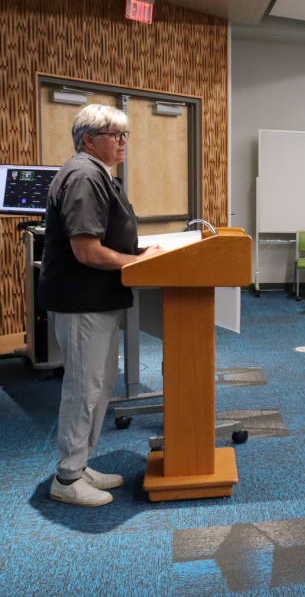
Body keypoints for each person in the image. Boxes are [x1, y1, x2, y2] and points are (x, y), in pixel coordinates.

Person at [38, 105, 164, 507]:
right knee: (84, 388)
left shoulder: (97, 174)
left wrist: (139, 251)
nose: (123, 141)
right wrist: (140, 262)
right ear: (89, 140)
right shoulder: (84, 175)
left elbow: (108, 238)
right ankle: (68, 477)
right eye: (115, 134)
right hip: (82, 301)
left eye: (126, 134)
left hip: (99, 298)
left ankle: (82, 463)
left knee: (100, 385)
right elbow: (88, 251)